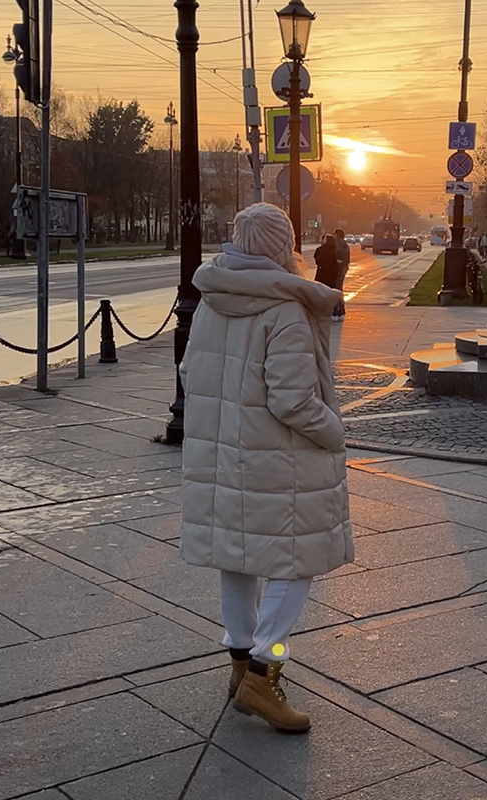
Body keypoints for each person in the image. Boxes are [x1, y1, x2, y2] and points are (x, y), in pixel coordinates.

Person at [179, 203, 353, 733]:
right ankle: (264, 668)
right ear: (283, 246)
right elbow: (293, 401)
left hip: (224, 454)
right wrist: (335, 432)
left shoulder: (214, 300)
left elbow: (190, 371)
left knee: (237, 556)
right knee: (296, 564)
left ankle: (239, 665)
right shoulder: (285, 307)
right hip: (279, 460)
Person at [333, 227, 351, 320]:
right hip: (343, 269)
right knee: (339, 289)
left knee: (336, 289)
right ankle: (341, 309)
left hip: (338, 269)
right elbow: (347, 259)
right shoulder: (345, 245)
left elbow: (336, 256)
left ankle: (336, 310)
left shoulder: (337, 244)